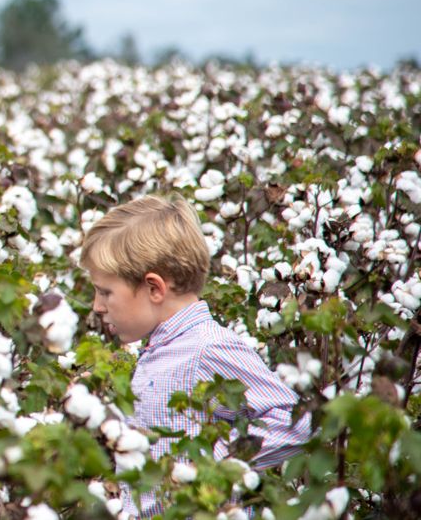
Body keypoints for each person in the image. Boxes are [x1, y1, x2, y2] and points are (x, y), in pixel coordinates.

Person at [83, 194, 310, 516]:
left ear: (154, 289)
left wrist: (205, 463)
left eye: (105, 291)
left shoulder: (206, 348)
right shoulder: (160, 350)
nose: (97, 305)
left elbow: (294, 422)